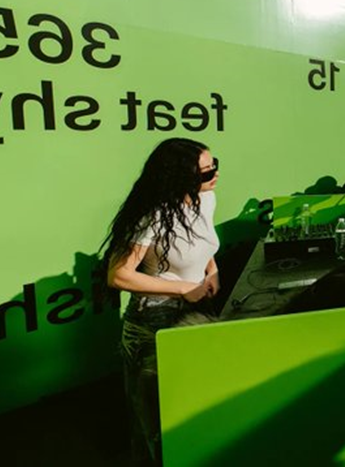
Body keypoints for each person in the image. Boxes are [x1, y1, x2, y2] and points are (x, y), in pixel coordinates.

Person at [102, 138, 221, 463]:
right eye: (204, 172)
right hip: (154, 324)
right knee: (157, 427)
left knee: (194, 411)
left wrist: (212, 271)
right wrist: (184, 289)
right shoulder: (151, 214)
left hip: (196, 313)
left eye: (215, 166)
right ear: (177, 176)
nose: (214, 175)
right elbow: (118, 276)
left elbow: (204, 244)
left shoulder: (206, 199)